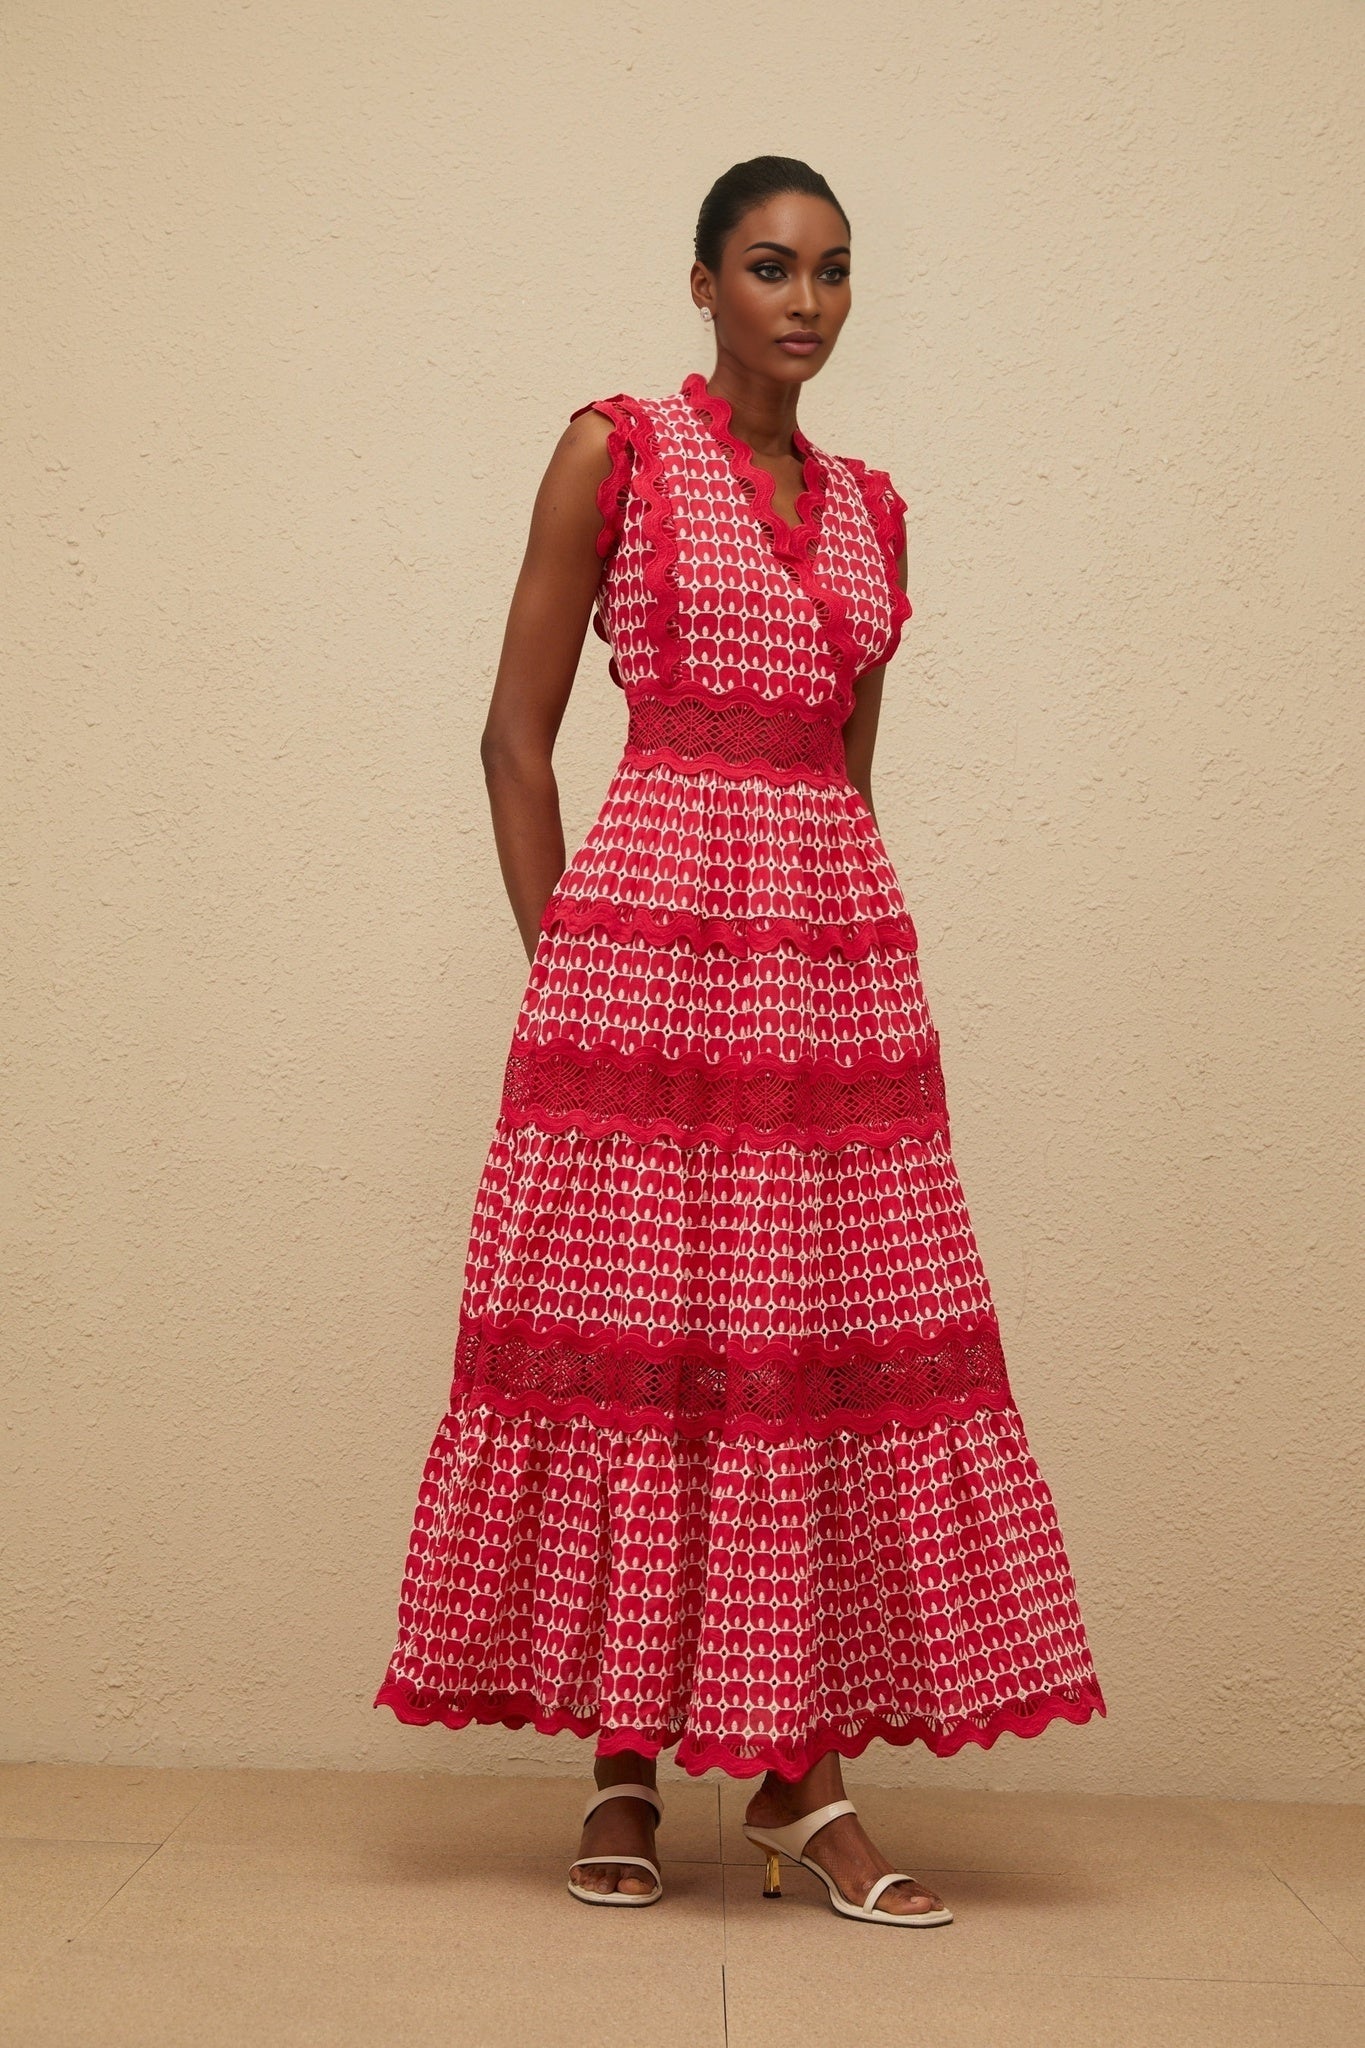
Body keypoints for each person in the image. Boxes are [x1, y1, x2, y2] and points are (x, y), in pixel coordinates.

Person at [374, 155, 1106, 1926]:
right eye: (770, 267)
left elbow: (849, 776)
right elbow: (511, 738)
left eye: (835, 273)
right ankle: (626, 1763)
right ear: (699, 283)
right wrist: (569, 973)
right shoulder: (613, 449)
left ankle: (795, 1779)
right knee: (637, 1341)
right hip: (639, 962)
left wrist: (839, 962)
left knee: (809, 1348)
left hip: (824, 966)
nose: (807, 300)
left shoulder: (871, 508)